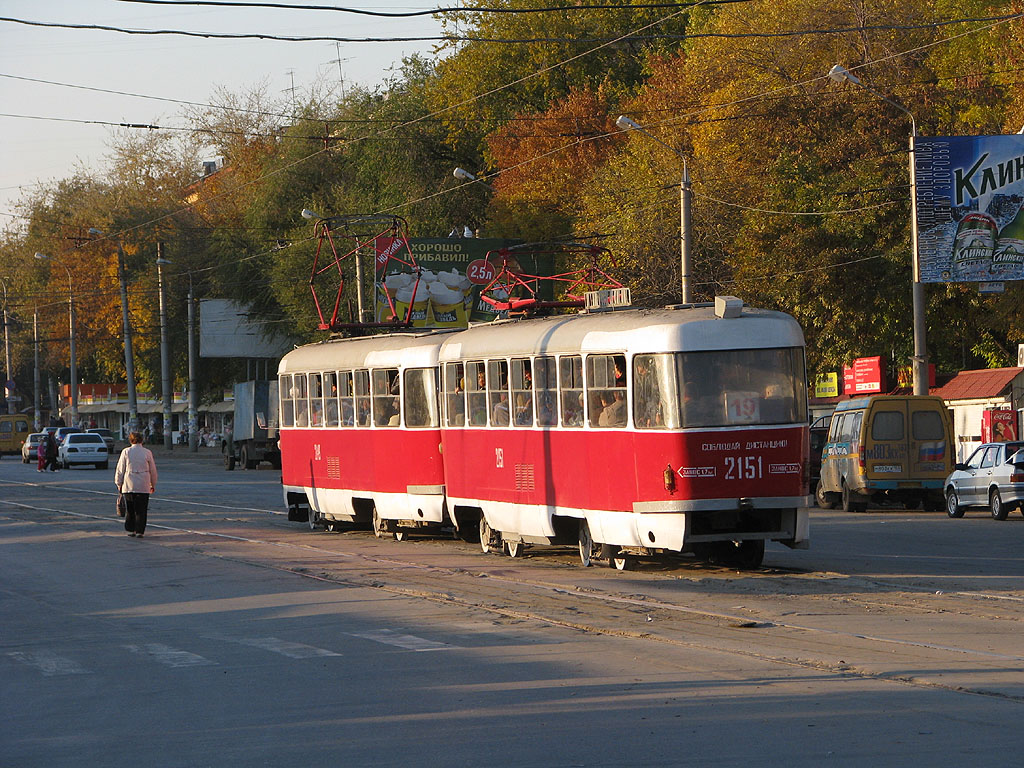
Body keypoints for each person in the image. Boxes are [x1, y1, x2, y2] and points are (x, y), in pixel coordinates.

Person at [115, 431, 158, 538]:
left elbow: (120, 469)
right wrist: (153, 484)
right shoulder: (147, 452)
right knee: (141, 509)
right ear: (142, 440)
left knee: (130, 509)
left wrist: (119, 483)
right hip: (143, 484)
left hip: (129, 484)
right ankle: (140, 531)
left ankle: (131, 529)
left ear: (130, 440)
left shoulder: (126, 452)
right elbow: (153, 470)